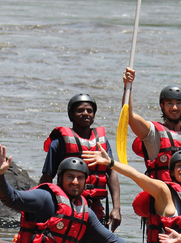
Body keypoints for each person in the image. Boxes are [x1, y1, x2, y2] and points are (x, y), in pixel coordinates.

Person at [0, 144, 145, 243]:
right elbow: (11, 198)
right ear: (60, 179)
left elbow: (111, 240)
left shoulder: (85, 211)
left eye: (80, 178)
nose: (75, 182)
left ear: (85, 182)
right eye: (70, 177)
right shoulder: (45, 198)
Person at [40, 93, 121, 231]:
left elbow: (111, 173)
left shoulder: (102, 142)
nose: (85, 113)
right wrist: (42, 206)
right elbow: (47, 177)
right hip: (67, 205)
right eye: (80, 110)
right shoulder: (59, 142)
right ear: (71, 115)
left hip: (95, 207)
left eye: (90, 111)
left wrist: (116, 208)